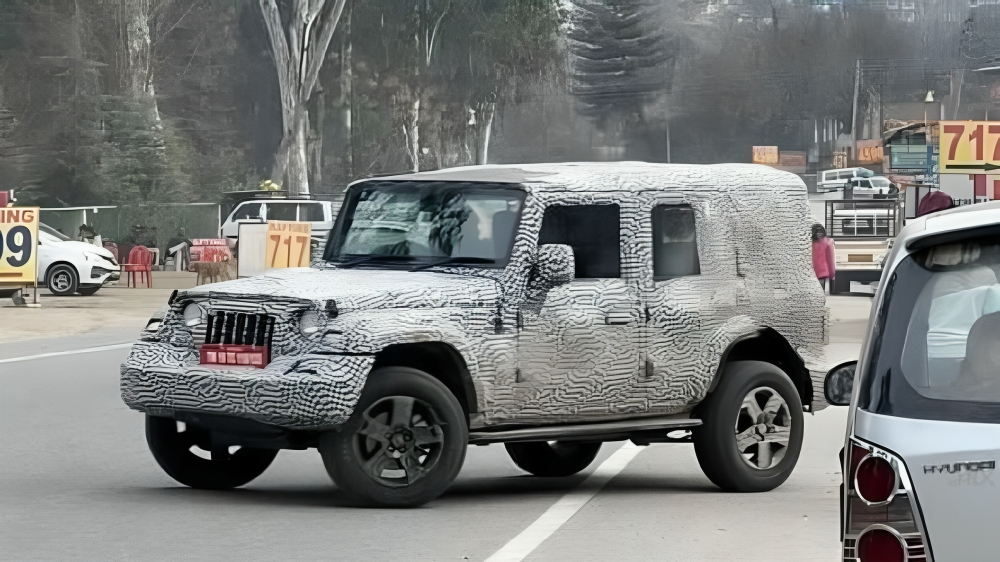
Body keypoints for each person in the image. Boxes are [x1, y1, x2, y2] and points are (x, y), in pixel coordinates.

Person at [812, 224, 836, 293]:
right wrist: (832, 274)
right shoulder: (828, 242)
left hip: (813, 272)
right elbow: (831, 259)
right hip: (823, 271)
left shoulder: (810, 243)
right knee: (821, 292)